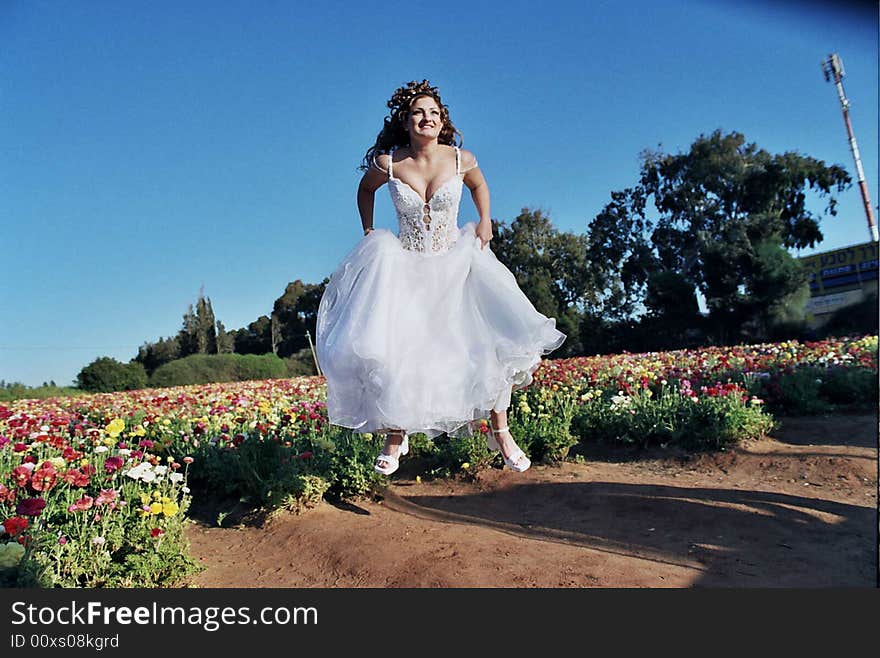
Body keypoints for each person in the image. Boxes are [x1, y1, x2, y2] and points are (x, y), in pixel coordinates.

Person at [315, 79, 566, 476]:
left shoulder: (461, 159)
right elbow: (364, 191)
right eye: (418, 112)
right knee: (399, 349)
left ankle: (501, 434)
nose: (426, 118)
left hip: (457, 261)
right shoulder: (390, 163)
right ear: (406, 122)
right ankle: (396, 436)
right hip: (408, 268)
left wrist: (485, 221)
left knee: (488, 345)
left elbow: (480, 185)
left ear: (442, 121)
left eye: (433, 112)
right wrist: (368, 230)